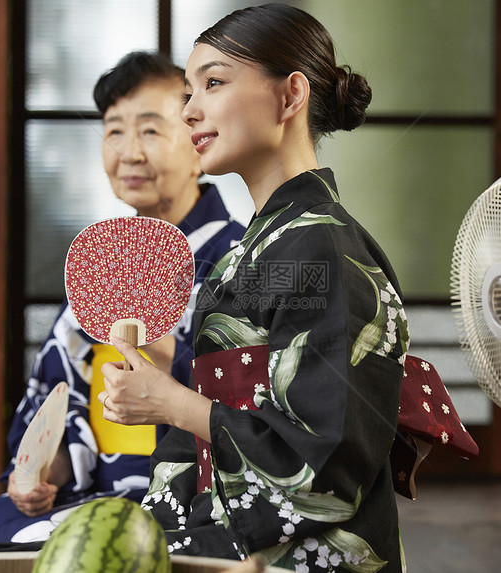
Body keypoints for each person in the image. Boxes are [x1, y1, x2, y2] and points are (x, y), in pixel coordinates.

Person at [101, 5, 409, 572]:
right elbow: (190, 434)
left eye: (213, 83)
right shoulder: (247, 256)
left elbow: (328, 463)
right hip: (229, 536)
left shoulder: (323, 250)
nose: (190, 110)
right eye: (189, 91)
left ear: (291, 97)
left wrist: (168, 400)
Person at [0, 51, 246, 555]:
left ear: (197, 144)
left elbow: (253, 409)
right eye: (114, 131)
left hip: (195, 495)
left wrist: (166, 364)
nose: (129, 153)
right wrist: (44, 469)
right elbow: (58, 392)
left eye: (150, 131)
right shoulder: (103, 259)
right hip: (89, 488)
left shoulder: (237, 259)